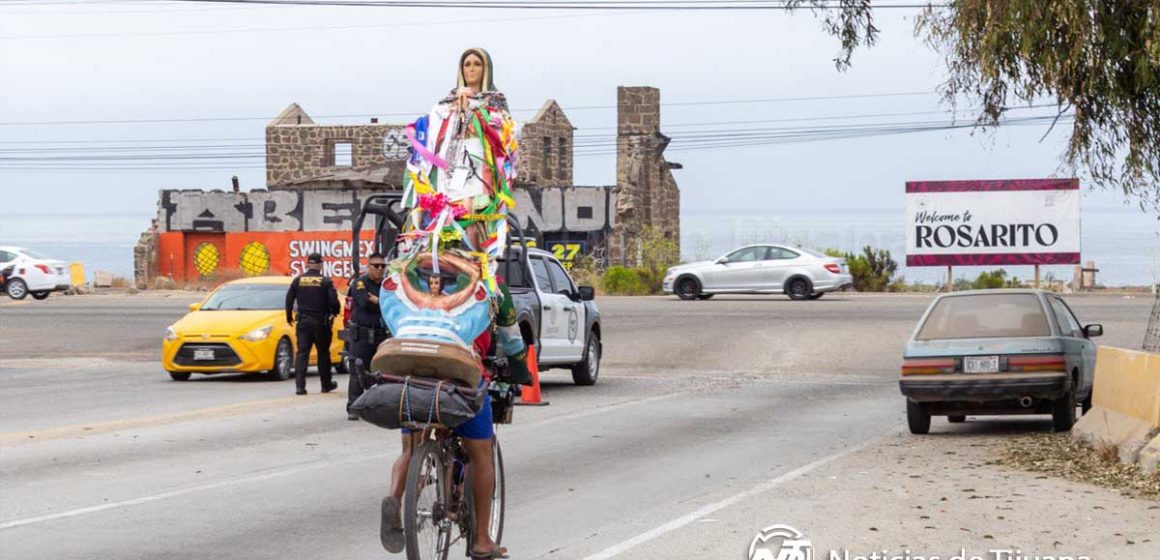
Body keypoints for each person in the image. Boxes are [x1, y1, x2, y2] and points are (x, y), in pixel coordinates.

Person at [381, 48, 510, 560]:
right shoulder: (481, 287)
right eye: (466, 65)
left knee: (410, 444)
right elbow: (502, 325)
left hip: (409, 367)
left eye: (477, 65)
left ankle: (397, 495)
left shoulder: (405, 282)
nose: (471, 72)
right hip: (457, 374)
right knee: (480, 451)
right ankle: (481, 539)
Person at [284, 252, 340, 396]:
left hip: (303, 323)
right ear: (320, 265)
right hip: (321, 323)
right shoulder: (325, 281)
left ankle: (300, 387)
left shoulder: (298, 280)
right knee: (323, 353)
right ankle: (326, 384)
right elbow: (333, 301)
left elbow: (289, 299)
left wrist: (289, 316)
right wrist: (334, 312)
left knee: (302, 354)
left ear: (307, 264)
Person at [346, 252, 389, 420]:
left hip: (381, 335)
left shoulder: (387, 285)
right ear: (368, 267)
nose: (380, 269)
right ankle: (353, 407)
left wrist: (377, 300)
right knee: (358, 370)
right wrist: (382, 302)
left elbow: (393, 304)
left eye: (382, 266)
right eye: (376, 266)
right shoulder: (360, 283)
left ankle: (378, 407)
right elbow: (364, 302)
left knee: (382, 372)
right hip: (362, 335)